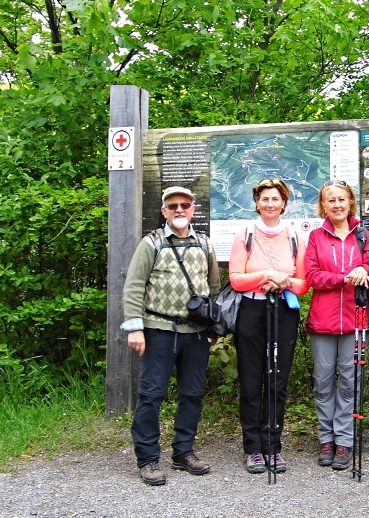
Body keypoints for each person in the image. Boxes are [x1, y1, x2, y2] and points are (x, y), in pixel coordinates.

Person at [121, 186, 220, 486]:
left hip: (196, 333)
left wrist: (214, 326)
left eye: (185, 205)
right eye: (173, 205)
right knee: (151, 395)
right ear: (164, 211)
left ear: (193, 209)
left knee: (192, 394)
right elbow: (134, 286)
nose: (179, 210)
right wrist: (135, 326)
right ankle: (148, 458)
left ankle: (183, 452)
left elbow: (213, 288)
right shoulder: (151, 243)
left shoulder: (205, 244)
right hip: (158, 330)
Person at [228, 178, 309, 474]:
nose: (270, 204)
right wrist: (268, 274)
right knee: (251, 380)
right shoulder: (245, 234)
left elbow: (303, 284)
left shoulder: (296, 237)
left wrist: (284, 281)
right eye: (265, 199)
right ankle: (253, 448)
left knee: (277, 380)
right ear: (257, 203)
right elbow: (236, 278)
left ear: (284, 203)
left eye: (276, 199)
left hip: (284, 310)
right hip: (252, 309)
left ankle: (273, 446)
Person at [304, 180, 369, 470]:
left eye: (341, 199)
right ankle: (326, 438)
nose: (336, 205)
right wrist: (344, 277)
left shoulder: (363, 236)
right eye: (330, 200)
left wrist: (365, 269)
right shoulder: (316, 237)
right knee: (323, 383)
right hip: (323, 321)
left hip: (356, 320)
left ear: (350, 202)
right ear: (323, 205)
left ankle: (344, 442)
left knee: (350, 382)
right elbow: (312, 275)